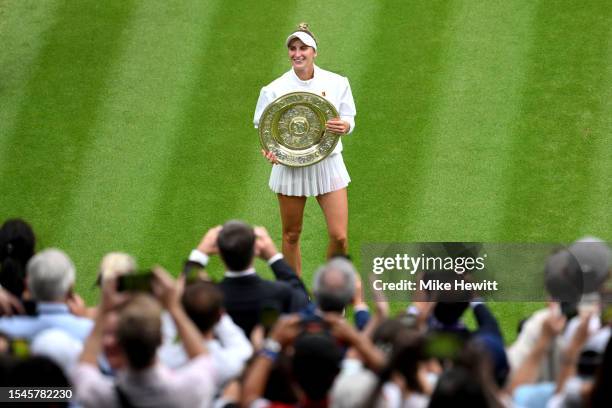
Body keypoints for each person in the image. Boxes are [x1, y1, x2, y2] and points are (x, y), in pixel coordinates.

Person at [254, 23, 357, 276]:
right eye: (292, 48)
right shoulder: (273, 89)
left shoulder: (337, 82)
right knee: (291, 234)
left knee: (340, 236)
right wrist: (270, 149)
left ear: (314, 52)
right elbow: (264, 124)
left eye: (303, 48)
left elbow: (349, 116)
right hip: (290, 166)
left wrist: (345, 125)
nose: (297, 53)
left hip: (328, 163)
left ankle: (334, 294)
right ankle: (295, 297)